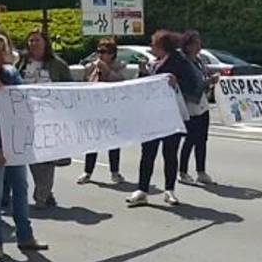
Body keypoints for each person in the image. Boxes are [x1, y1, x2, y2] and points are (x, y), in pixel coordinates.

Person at [0, 40, 48, 260]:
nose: (0, 55)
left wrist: (8, 90)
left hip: (14, 142)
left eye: (2, 50)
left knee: (20, 189)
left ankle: (25, 236)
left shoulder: (11, 74)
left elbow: (24, 98)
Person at [127, 30, 205, 208]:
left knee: (170, 153)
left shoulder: (180, 62)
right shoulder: (153, 64)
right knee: (147, 153)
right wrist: (142, 72)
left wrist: (177, 81)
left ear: (162, 46)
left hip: (172, 114)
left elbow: (193, 85)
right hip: (151, 115)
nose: (151, 48)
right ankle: (142, 189)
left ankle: (169, 190)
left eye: (153, 45)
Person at [16, 29, 72, 208]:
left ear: (45, 42)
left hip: (49, 119)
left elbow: (71, 89)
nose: (33, 43)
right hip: (26, 118)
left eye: (37, 40)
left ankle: (41, 196)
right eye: (30, 40)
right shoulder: (21, 63)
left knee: (47, 158)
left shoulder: (58, 65)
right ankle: (45, 192)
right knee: (33, 157)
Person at [76, 37, 127, 185]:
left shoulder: (120, 66)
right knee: (92, 141)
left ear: (112, 54)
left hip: (112, 109)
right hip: (94, 109)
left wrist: (108, 72)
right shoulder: (92, 66)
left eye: (104, 52)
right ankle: (87, 171)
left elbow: (122, 83)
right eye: (99, 51)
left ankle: (115, 172)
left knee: (113, 142)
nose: (100, 55)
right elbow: (85, 81)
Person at [178, 30, 219, 186]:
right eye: (195, 43)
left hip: (202, 103)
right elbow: (188, 85)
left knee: (202, 139)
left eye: (199, 42)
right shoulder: (183, 63)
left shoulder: (199, 60)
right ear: (187, 46)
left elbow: (202, 78)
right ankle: (182, 171)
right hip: (190, 104)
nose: (198, 46)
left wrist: (209, 81)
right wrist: (206, 83)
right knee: (190, 138)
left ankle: (201, 171)